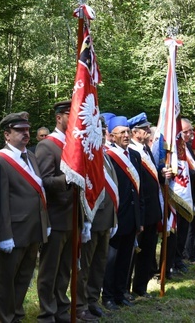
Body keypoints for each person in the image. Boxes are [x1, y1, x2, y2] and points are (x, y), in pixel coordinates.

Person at [0, 112, 49, 323]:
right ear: (7, 134)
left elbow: (39, 192)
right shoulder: (1, 160)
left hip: (33, 227)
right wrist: (4, 234)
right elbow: (2, 201)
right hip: (14, 230)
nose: (25, 134)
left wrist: (46, 223)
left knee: (24, 276)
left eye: (27, 130)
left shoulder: (31, 156)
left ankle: (16, 313)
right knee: (6, 279)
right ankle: (5, 318)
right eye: (19, 130)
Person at [35, 100, 74, 323]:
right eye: (71, 113)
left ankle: (61, 308)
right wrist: (67, 179)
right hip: (56, 216)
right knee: (49, 270)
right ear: (59, 117)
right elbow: (43, 182)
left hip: (72, 217)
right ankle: (47, 313)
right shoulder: (47, 146)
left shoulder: (74, 144)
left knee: (65, 270)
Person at [76, 116, 117, 321]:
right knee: (85, 265)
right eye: (97, 131)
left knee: (100, 263)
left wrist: (114, 218)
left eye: (102, 131)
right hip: (91, 220)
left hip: (107, 219)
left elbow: (113, 189)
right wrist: (84, 219)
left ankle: (93, 300)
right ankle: (80, 304)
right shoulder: (86, 156)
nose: (100, 134)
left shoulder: (105, 155)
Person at [102, 115, 143, 311]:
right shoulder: (108, 156)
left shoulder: (134, 155)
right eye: (122, 133)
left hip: (132, 216)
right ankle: (107, 296)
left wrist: (139, 218)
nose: (126, 135)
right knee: (111, 259)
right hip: (116, 216)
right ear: (112, 136)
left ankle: (120, 293)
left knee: (126, 257)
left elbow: (138, 190)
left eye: (128, 131)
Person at [128, 112, 161, 299]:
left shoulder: (145, 149)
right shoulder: (132, 152)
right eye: (144, 128)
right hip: (141, 210)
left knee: (148, 251)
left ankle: (140, 287)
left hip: (152, 210)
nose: (148, 130)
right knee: (135, 253)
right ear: (135, 132)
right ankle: (126, 288)